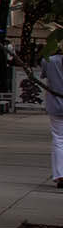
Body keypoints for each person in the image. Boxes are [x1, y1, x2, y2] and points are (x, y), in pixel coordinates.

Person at [42, 45, 63, 189]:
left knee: (58, 139)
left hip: (56, 104)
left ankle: (60, 174)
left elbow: (44, 75)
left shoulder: (48, 60)